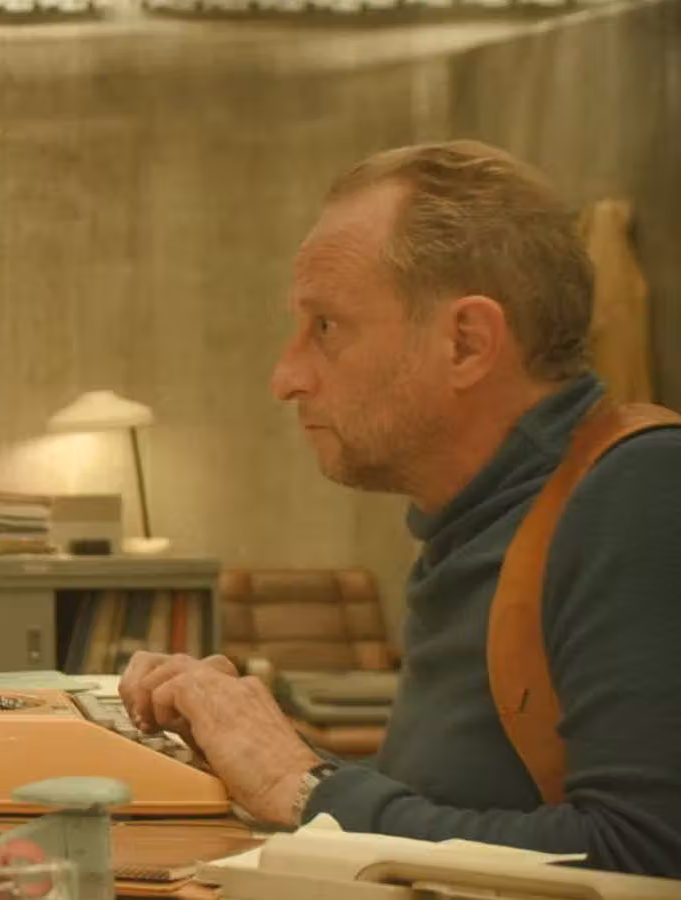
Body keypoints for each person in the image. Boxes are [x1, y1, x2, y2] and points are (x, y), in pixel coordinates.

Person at [117, 140, 681, 875]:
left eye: (326, 326)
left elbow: (644, 858)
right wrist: (251, 749)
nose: (286, 377)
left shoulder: (639, 492)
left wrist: (305, 788)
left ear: (467, 342)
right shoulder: (478, 520)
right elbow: (450, 810)